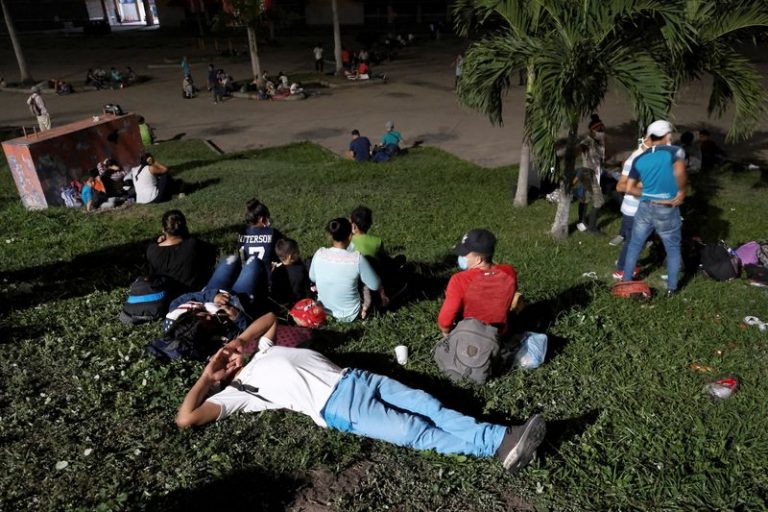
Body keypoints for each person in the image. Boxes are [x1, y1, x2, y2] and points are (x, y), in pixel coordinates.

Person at [175, 315, 546, 474]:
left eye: (226, 351)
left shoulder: (264, 349)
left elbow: (270, 318)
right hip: (339, 408)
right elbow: (186, 418)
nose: (228, 357)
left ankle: (501, 440)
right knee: (416, 432)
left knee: (430, 405)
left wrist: (242, 341)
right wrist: (209, 379)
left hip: (357, 378)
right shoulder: (241, 392)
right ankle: (497, 442)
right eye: (221, 357)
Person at [621, 120, 687, 296]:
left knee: (635, 244)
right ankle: (672, 289)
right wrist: (681, 191)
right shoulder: (675, 152)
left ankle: (626, 281)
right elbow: (680, 172)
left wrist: (646, 195)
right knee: (672, 248)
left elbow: (628, 188)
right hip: (667, 208)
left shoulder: (640, 158)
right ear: (667, 135)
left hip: (645, 207)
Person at [438, 229, 518, 337]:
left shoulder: (459, 280)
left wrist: (446, 332)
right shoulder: (509, 272)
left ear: (478, 259)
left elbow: (445, 321)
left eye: (465, 254)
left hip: (469, 336)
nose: (461, 257)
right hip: (499, 334)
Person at [167, 253, 268, 332]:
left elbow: (186, 297)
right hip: (239, 300)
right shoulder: (216, 341)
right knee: (253, 261)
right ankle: (263, 299)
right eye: (208, 323)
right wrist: (237, 317)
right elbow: (248, 334)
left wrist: (213, 296)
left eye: (202, 316)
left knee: (232, 258)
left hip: (211, 292)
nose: (209, 316)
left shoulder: (175, 316)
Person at [309, 218, 382, 322]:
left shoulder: (319, 253)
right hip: (351, 314)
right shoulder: (357, 259)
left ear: (330, 235)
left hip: (324, 310)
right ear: (350, 236)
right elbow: (375, 285)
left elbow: (312, 277)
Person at [146, 210, 216, 302]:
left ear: (163, 229)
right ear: (184, 227)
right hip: (196, 295)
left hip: (165, 298)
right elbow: (212, 256)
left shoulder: (152, 250)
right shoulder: (194, 244)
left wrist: (158, 243)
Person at [611, 136, 650, 280]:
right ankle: (621, 269)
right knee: (634, 241)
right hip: (634, 209)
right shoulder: (637, 160)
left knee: (632, 240)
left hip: (633, 208)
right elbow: (624, 186)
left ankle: (624, 262)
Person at [577, 114, 606, 234]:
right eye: (599, 130)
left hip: (594, 173)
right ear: (592, 131)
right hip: (589, 173)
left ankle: (582, 221)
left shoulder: (600, 141)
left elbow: (601, 157)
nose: (601, 132)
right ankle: (592, 228)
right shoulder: (588, 141)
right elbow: (580, 148)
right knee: (599, 201)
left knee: (586, 198)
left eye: (602, 129)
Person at [238, 199, 283, 270]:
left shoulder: (242, 233)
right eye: (267, 217)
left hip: (246, 276)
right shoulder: (273, 233)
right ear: (261, 219)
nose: (269, 220)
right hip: (268, 277)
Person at [270, 238, 309, 306]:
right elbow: (305, 288)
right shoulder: (300, 270)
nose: (299, 253)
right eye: (297, 251)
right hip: (300, 303)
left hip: (283, 304)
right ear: (290, 257)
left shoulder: (275, 272)